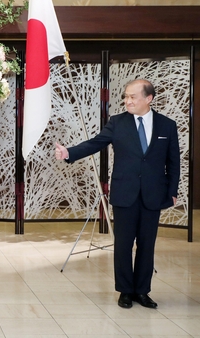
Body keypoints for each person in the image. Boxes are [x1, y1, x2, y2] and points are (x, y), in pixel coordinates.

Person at [55, 79, 180, 309]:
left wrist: (172, 192)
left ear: (148, 99)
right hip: (125, 194)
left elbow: (174, 162)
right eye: (126, 96)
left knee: (146, 245)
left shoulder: (167, 126)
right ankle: (125, 291)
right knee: (123, 244)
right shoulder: (117, 123)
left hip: (153, 195)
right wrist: (68, 152)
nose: (127, 101)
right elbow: (95, 143)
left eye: (133, 97)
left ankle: (142, 291)